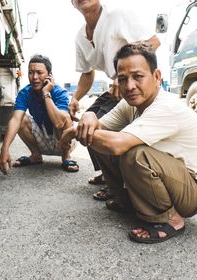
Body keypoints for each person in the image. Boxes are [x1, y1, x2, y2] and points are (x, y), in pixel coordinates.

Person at [60, 43, 197, 243]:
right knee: (100, 140)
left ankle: (172, 219)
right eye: (123, 79)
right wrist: (90, 115)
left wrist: (76, 131)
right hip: (173, 177)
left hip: (195, 191)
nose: (129, 86)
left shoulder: (166, 106)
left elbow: (117, 144)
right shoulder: (130, 103)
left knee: (134, 155)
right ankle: (124, 200)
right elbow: (100, 129)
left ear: (157, 76)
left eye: (138, 76)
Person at [69, 0, 160, 200]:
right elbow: (87, 74)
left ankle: (120, 184)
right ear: (72, 3)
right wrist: (75, 97)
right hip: (115, 89)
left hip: (132, 86)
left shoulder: (117, 15)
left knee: (99, 127)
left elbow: (153, 42)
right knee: (88, 119)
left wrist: (125, 76)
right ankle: (106, 173)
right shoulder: (80, 37)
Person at [0, 54, 79, 174]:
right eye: (31, 72)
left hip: (64, 141)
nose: (34, 77)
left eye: (39, 72)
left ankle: (66, 157)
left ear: (49, 75)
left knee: (65, 117)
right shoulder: (25, 93)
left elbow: (59, 122)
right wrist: (4, 149)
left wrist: (46, 93)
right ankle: (36, 155)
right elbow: (15, 120)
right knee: (21, 118)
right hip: (43, 138)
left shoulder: (59, 92)